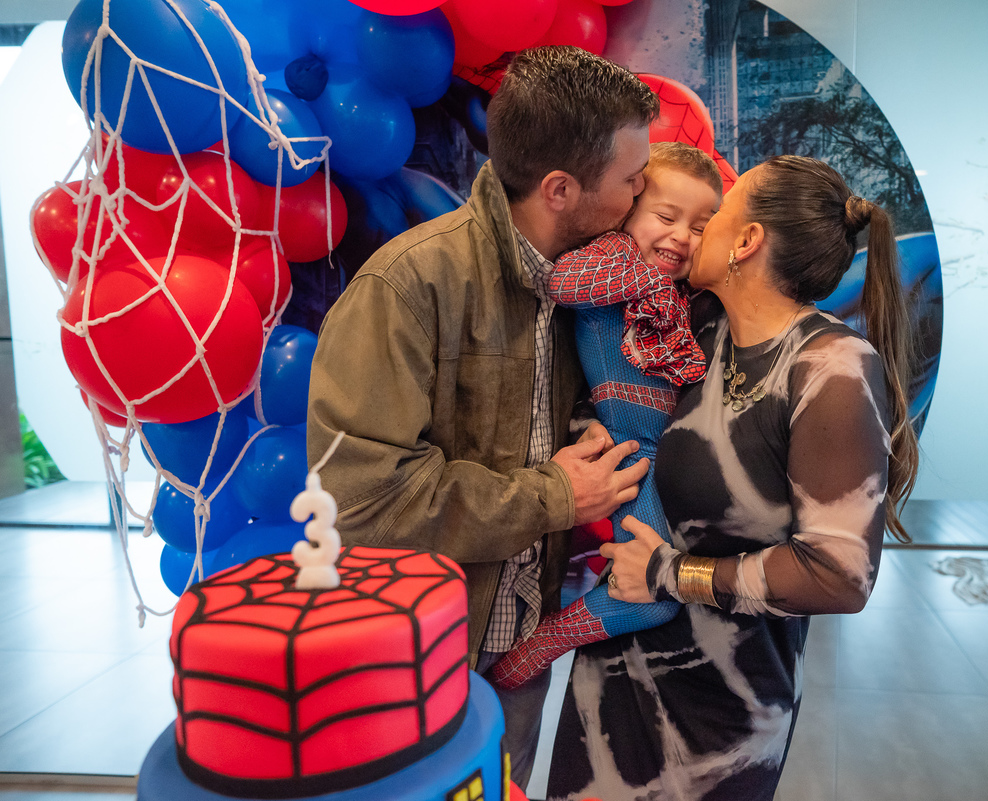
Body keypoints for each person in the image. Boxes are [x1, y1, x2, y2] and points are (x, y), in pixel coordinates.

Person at [306, 46, 659, 788]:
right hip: (422, 662)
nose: (640, 196)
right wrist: (555, 496)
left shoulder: (584, 284)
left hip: (519, 644)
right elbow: (365, 501)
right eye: (631, 182)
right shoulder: (407, 284)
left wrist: (591, 428)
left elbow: (533, 423)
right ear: (561, 188)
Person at [545, 155, 920, 801]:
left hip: (721, 716)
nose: (696, 232)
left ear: (746, 241)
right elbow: (632, 407)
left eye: (716, 214)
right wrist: (592, 433)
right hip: (610, 676)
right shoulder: (701, 327)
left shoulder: (830, 367)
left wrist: (669, 574)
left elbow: (839, 574)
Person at [489, 142, 723, 689]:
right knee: (654, 603)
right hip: (634, 456)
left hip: (668, 456)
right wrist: (647, 280)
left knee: (662, 578)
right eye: (666, 217)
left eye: (700, 226)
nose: (681, 236)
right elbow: (563, 283)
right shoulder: (617, 258)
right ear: (629, 210)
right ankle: (542, 645)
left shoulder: (681, 291)